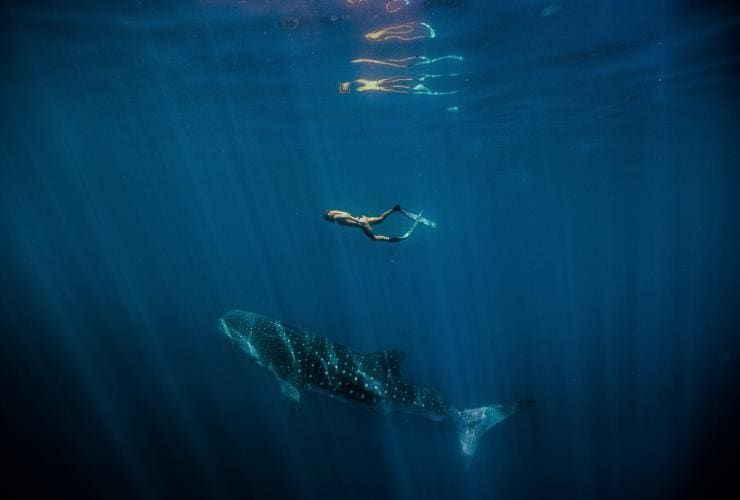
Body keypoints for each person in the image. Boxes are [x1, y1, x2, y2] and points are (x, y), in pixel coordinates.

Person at [324, 204, 409, 242]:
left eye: (328, 219)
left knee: (374, 238)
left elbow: (347, 216)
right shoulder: (337, 212)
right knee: (380, 219)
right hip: (362, 218)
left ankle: (392, 239)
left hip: (360, 222)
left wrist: (357, 221)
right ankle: (395, 209)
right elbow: (346, 214)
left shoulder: (336, 217)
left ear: (328, 216)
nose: (330, 221)